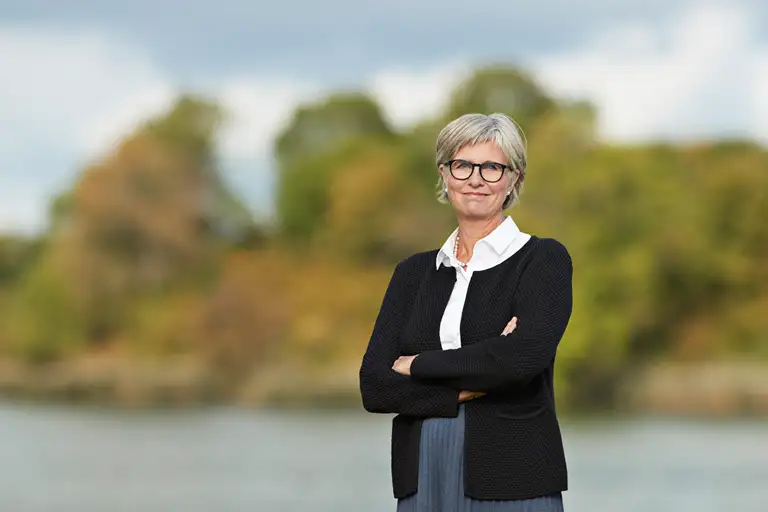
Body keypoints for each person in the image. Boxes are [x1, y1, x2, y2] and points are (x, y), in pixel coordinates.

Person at [358, 112, 573, 511]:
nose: (475, 179)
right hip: (421, 473)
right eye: (462, 165)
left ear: (514, 178)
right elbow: (374, 385)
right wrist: (463, 389)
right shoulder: (413, 274)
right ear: (444, 174)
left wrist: (418, 364)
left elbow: (521, 360)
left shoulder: (542, 260)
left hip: (514, 475)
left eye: (492, 167)